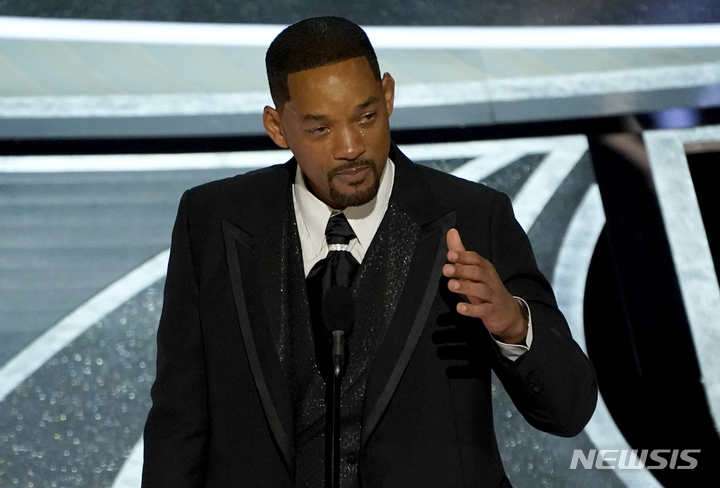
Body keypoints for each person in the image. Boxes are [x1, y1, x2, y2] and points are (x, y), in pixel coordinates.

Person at [142, 16, 597, 488]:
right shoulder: (212, 221)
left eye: (366, 117)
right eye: (320, 129)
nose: (351, 147)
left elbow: (569, 411)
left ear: (388, 96)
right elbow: (178, 421)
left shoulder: (473, 218)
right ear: (278, 127)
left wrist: (514, 325)